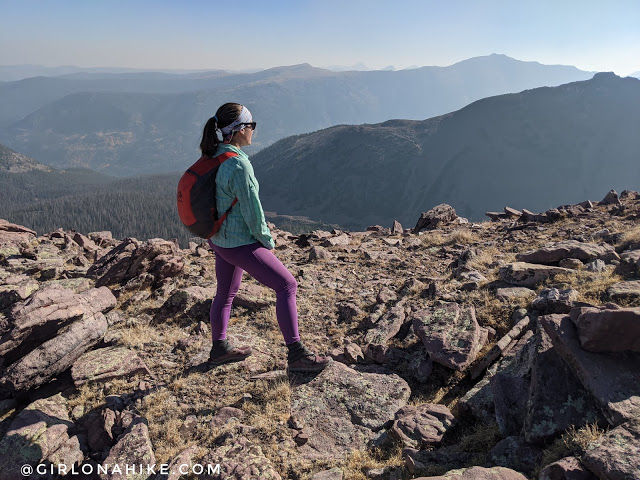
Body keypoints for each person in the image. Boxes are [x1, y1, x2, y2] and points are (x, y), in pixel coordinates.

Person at [200, 102, 331, 372]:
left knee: (224, 293)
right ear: (238, 130)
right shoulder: (238, 165)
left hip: (220, 241)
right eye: (251, 126)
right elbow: (253, 212)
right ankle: (296, 355)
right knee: (287, 286)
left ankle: (219, 348)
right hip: (239, 242)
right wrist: (267, 242)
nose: (253, 131)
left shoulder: (215, 155)